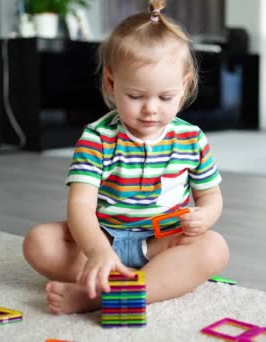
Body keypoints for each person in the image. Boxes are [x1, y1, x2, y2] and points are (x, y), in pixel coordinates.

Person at [22, 0, 229, 315]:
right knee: (38, 242)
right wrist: (97, 252)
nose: (150, 108)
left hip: (162, 243)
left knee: (215, 248)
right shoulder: (97, 138)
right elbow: (80, 205)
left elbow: (210, 196)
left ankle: (101, 297)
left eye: (165, 97)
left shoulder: (192, 139)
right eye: (135, 96)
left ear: (184, 86)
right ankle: (115, 278)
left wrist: (206, 215)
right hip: (102, 237)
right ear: (111, 82)